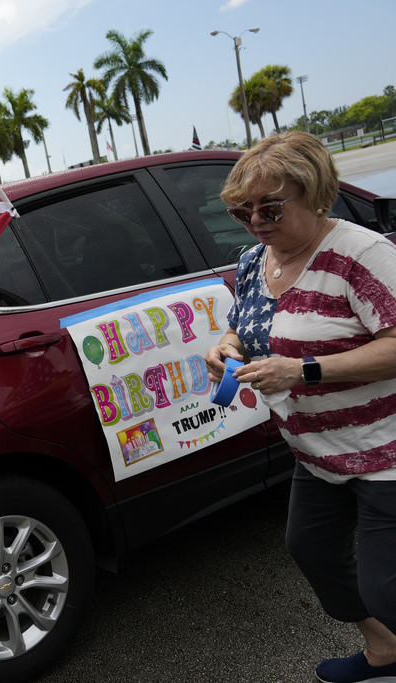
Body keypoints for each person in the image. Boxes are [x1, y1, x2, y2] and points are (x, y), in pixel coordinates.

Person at [204, 131, 396, 683]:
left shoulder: (362, 255)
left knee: (387, 587)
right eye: (242, 211)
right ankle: (384, 650)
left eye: (270, 208)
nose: (256, 222)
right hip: (317, 454)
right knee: (311, 550)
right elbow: (246, 328)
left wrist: (304, 370)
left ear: (316, 195)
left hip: (384, 449)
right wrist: (227, 349)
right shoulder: (253, 262)